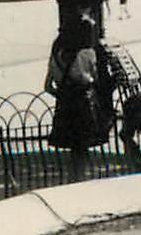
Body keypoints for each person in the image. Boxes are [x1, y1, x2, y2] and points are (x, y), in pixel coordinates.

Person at [44, 12, 115, 180]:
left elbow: (48, 86)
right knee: (83, 145)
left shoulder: (57, 54)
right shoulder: (87, 53)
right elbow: (94, 78)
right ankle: (80, 179)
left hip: (65, 103)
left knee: (73, 148)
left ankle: (73, 178)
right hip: (83, 102)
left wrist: (63, 95)